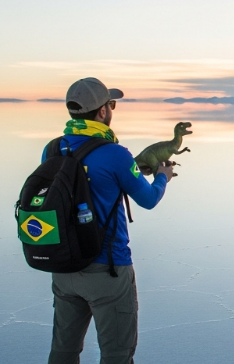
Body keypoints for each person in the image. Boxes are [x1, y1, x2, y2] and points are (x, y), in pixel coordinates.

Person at [47, 77, 174, 364]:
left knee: (63, 351)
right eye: (110, 104)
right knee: (117, 355)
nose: (111, 110)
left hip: (64, 267)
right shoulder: (115, 154)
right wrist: (162, 176)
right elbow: (148, 199)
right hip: (108, 270)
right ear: (103, 112)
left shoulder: (53, 149)